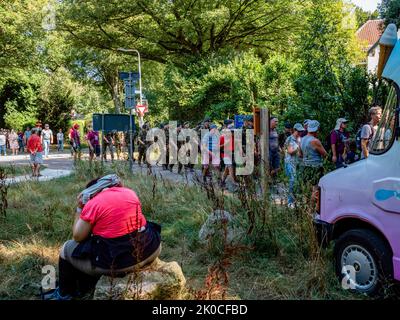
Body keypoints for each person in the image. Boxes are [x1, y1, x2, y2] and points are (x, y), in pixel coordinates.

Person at [43, 176, 162, 300]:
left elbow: (78, 237)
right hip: (152, 250)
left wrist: (79, 208)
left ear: (89, 192)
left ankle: (64, 294)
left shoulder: (93, 203)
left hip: (123, 264)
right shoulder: (130, 192)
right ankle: (86, 283)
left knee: (66, 249)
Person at [298, 120, 327, 203]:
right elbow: (325, 154)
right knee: (315, 190)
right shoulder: (315, 141)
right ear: (316, 129)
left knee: (307, 189)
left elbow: (300, 155)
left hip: (304, 167)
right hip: (315, 167)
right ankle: (312, 209)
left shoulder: (302, 139)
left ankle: (306, 209)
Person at [284, 123, 304, 208]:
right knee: (292, 181)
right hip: (290, 163)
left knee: (298, 182)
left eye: (301, 131)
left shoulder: (300, 139)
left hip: (298, 163)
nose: (300, 133)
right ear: (295, 130)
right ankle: (290, 202)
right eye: (299, 131)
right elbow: (290, 151)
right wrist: (298, 146)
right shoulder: (290, 139)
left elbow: (300, 154)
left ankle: (296, 201)